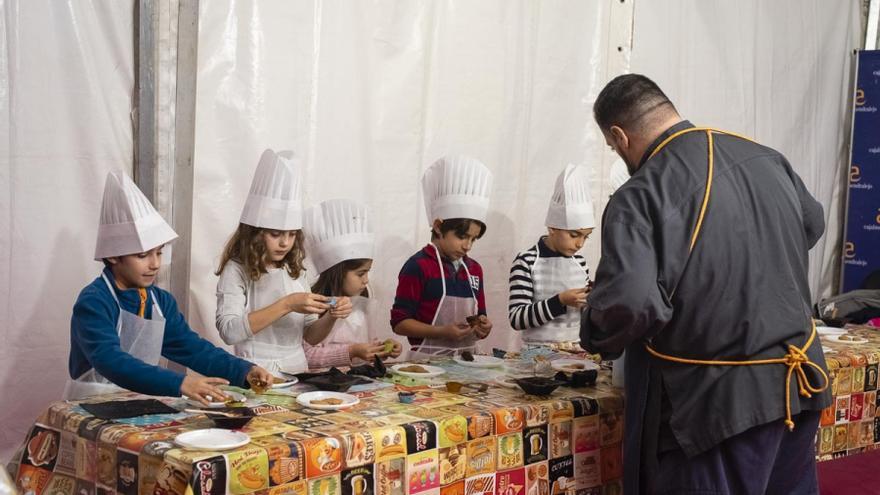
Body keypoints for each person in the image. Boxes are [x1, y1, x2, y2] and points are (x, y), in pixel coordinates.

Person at [580, 74, 830, 494]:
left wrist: (594, 330)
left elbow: (630, 303)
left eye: (611, 147)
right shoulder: (765, 157)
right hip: (800, 382)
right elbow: (812, 222)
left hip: (721, 405)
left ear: (619, 136)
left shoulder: (640, 193)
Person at [67, 171, 272, 405]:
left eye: (159, 252)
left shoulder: (160, 301)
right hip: (91, 406)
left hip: (138, 401)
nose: (155, 264)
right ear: (113, 256)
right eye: (142, 255)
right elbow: (111, 361)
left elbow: (191, 348)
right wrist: (180, 383)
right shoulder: (94, 301)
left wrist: (244, 370)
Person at [215, 149, 352, 373]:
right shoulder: (237, 269)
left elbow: (310, 336)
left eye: (291, 234)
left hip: (297, 370)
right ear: (255, 232)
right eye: (275, 234)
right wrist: (287, 304)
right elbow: (229, 332)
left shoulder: (293, 268)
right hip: (255, 372)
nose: (285, 243)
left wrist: (331, 316)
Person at [391, 156, 494, 358]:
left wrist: (482, 326)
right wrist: (442, 332)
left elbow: (480, 315)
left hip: (468, 360)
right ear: (438, 227)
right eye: (462, 236)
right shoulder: (418, 266)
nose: (468, 246)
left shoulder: (474, 269)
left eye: (473, 239)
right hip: (427, 362)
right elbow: (400, 323)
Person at [302, 199, 402, 367]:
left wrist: (381, 349)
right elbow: (308, 356)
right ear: (338, 272)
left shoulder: (362, 302)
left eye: (368, 272)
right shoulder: (315, 304)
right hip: (323, 387)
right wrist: (352, 351)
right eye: (360, 273)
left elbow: (366, 346)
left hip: (360, 382)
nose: (366, 280)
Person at [508, 164, 594, 345]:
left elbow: (585, 313)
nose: (580, 244)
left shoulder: (580, 262)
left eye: (586, 237)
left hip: (575, 350)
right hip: (536, 353)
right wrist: (560, 301)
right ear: (552, 227)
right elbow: (517, 318)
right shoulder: (527, 262)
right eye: (574, 235)